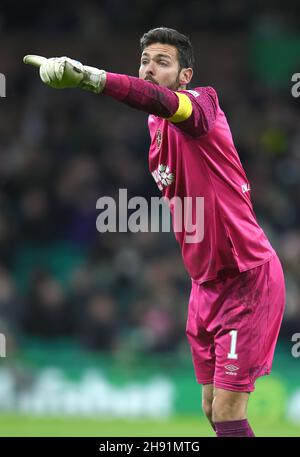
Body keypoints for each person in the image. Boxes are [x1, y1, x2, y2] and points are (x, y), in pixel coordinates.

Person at [23, 27, 285, 437]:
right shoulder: (155, 129)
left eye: (162, 63)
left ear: (185, 76)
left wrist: (91, 77)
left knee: (231, 411)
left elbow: (157, 99)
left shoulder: (203, 105)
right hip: (206, 285)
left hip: (244, 276)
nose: (149, 69)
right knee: (213, 410)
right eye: (144, 61)